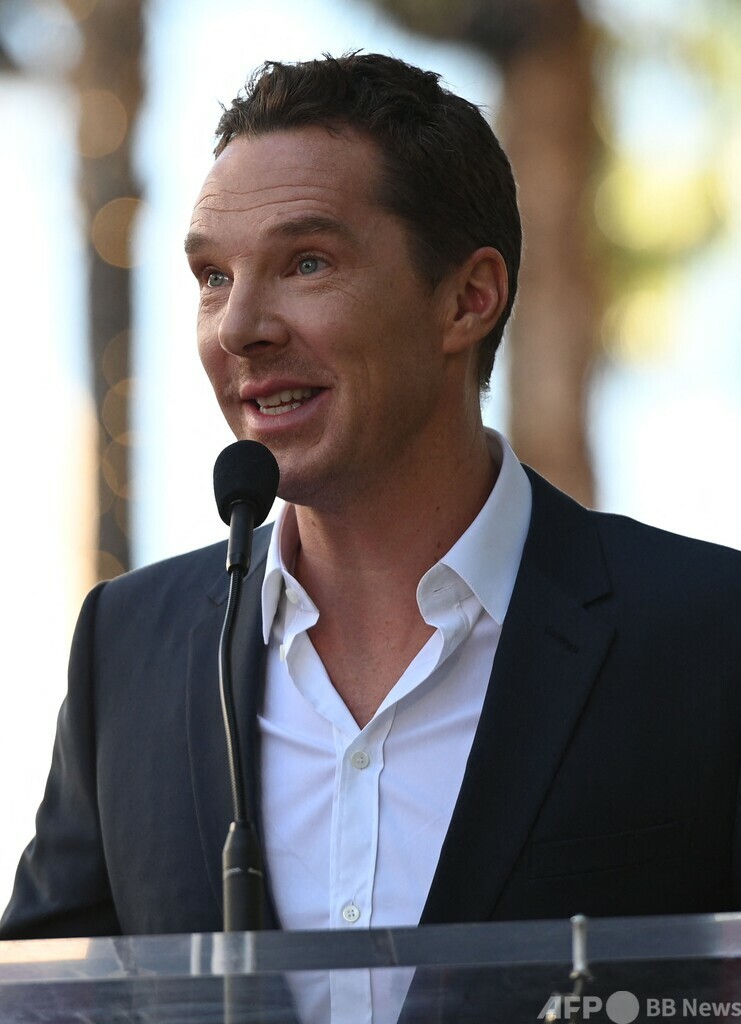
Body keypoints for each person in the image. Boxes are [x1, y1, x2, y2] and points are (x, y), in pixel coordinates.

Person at [2, 52, 741, 944]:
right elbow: (46, 989)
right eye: (213, 277)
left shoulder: (709, 633)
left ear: (467, 299)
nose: (238, 328)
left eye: (306, 263)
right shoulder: (126, 647)